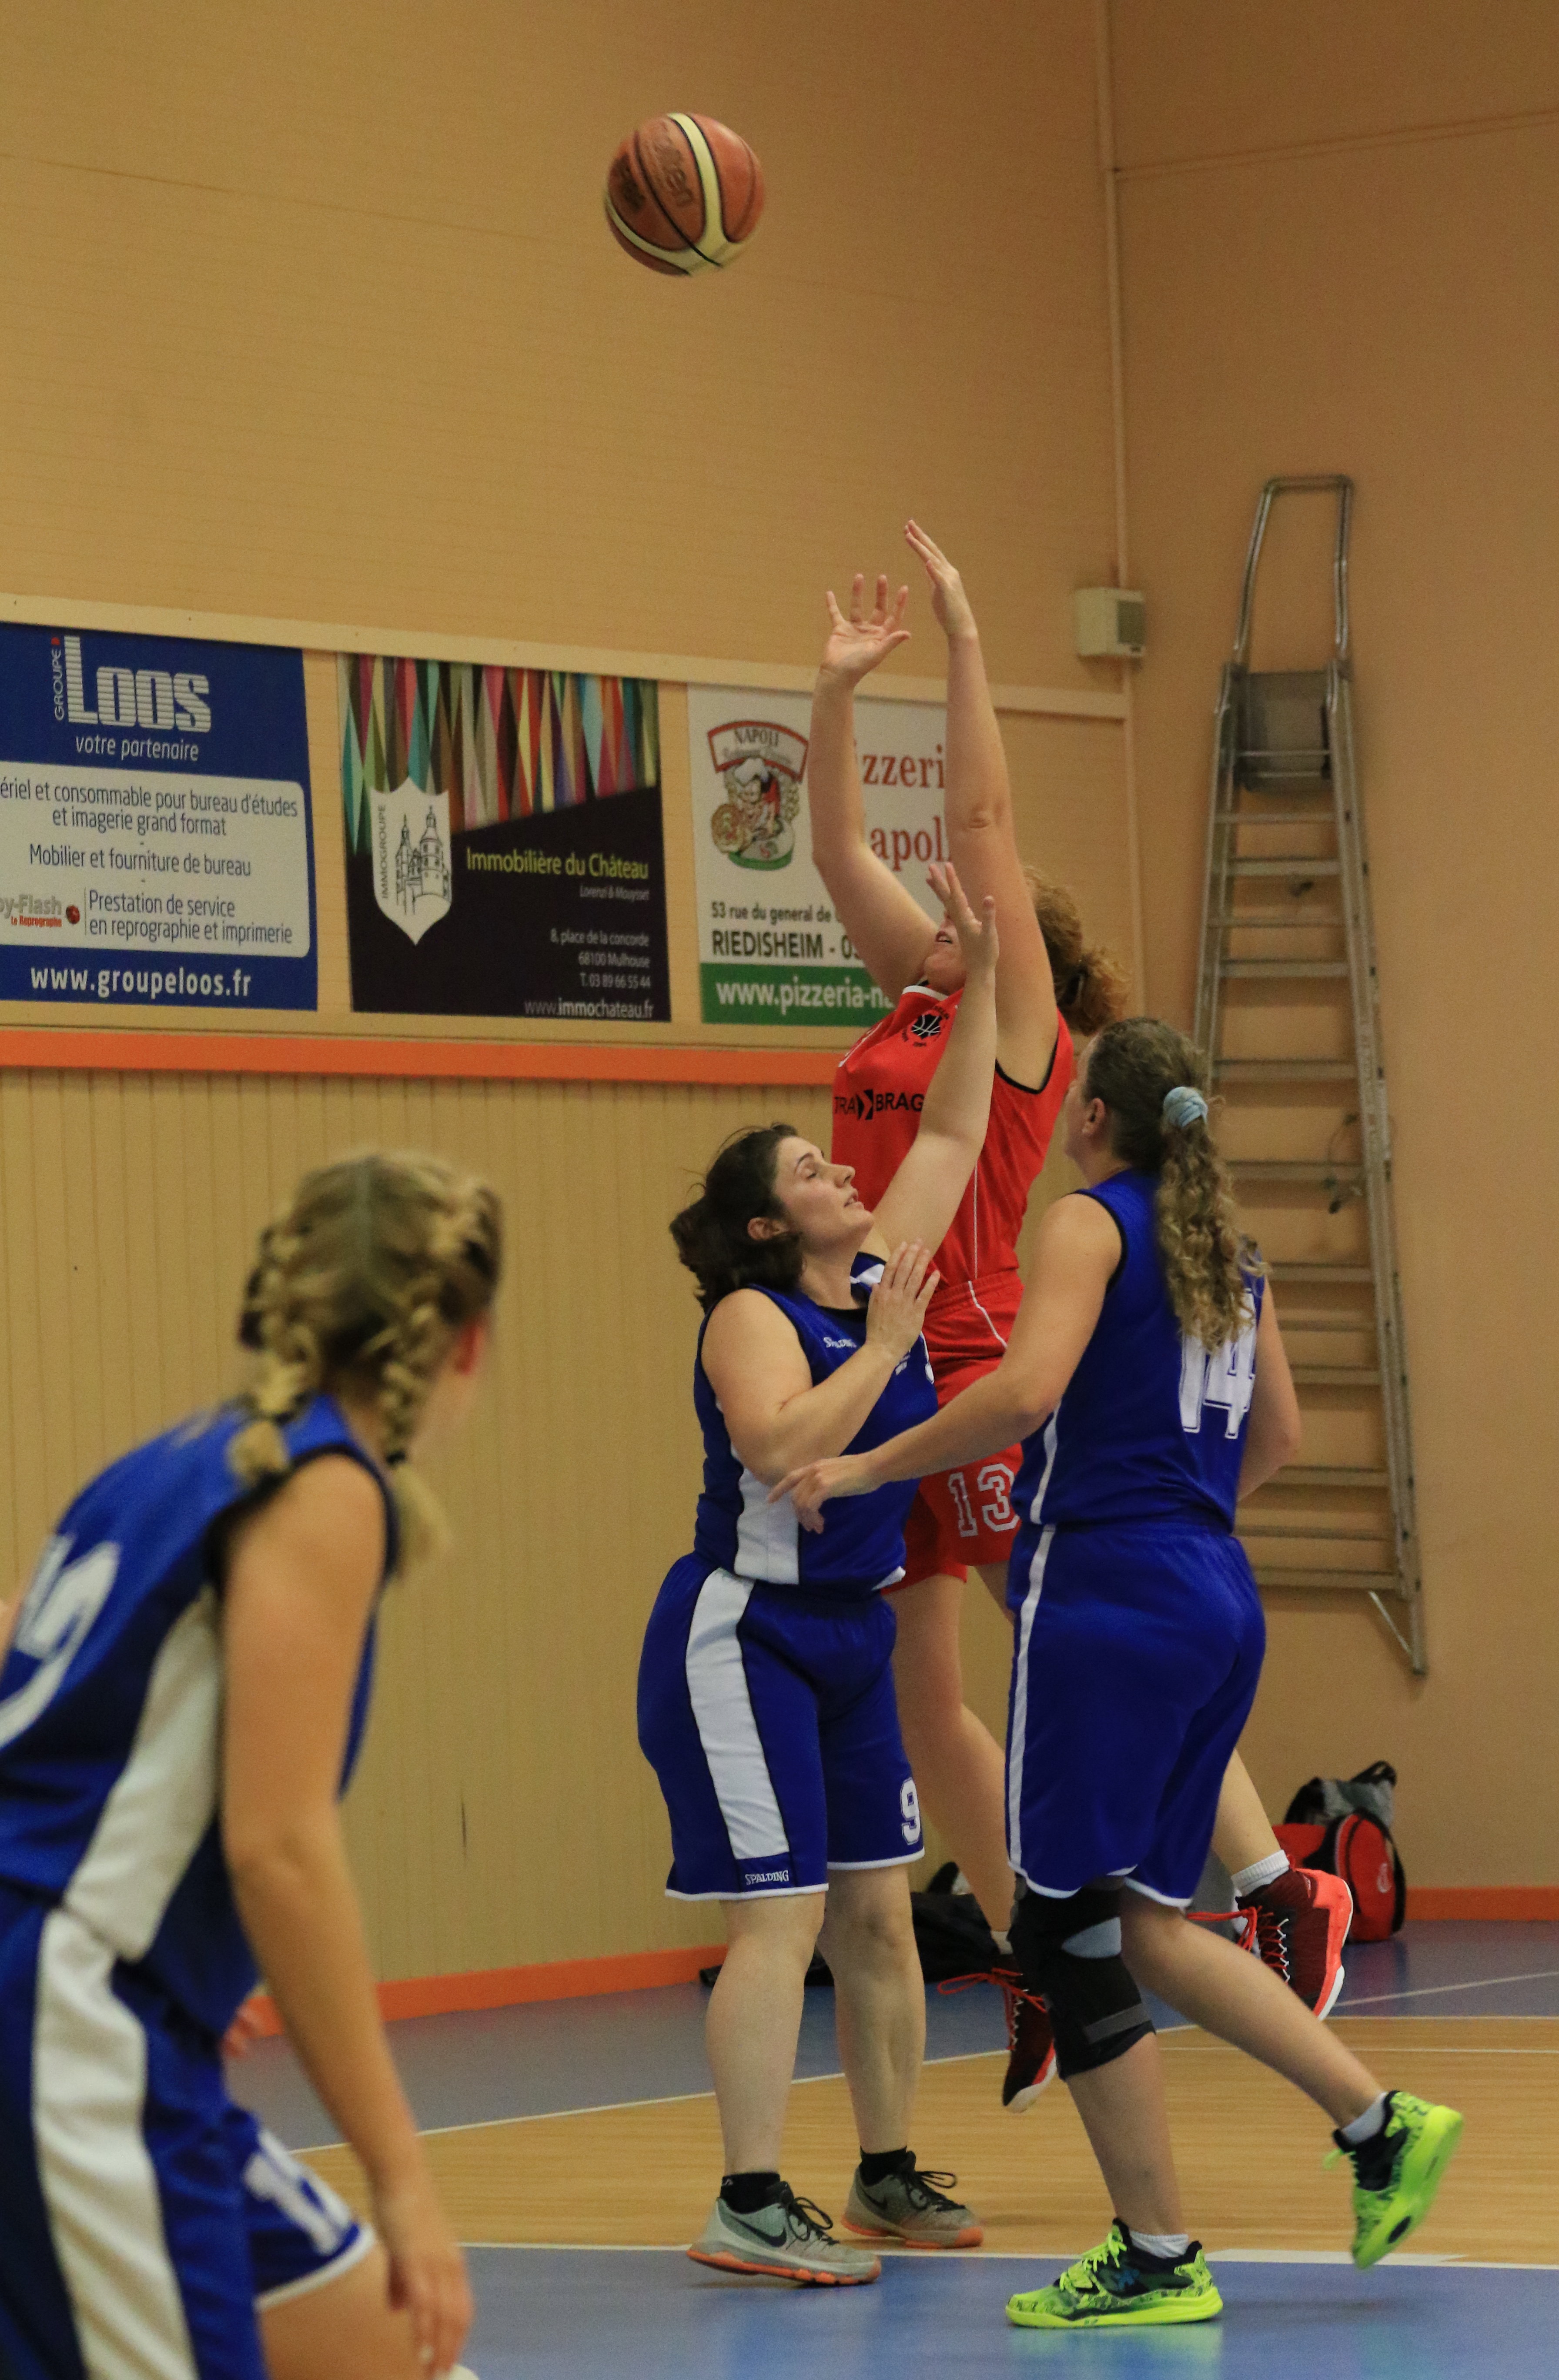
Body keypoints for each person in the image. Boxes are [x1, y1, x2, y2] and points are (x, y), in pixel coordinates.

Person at [776, 1019, 1461, 2328]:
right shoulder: (1227, 1251)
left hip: (1106, 1599)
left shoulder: (1087, 1225)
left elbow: (1024, 1394)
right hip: (1216, 1592)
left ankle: (1157, 2255)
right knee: (1137, 1922)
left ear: (1092, 1118)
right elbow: (1281, 1434)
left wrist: (864, 1468)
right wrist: (1183, 1515)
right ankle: (1379, 2126)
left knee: (1059, 1931)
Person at [807, 522, 1348, 2109]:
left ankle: (1274, 1883)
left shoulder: (1020, 1024)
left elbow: (980, 817)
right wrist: (833, 694)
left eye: (965, 901)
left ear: (1009, 934)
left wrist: (967, 640)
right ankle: (1042, 1951)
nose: (934, 900)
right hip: (881, 1352)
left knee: (1064, 1629)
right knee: (926, 1695)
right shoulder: (916, 996)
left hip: (972, 1344)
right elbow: (833, 847)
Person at [0, 1152, 501, 2380]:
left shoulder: (157, 1468)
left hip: (70, 1987)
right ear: (467, 1344)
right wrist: (403, 2176)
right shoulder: (323, 1486)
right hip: (51, 2002)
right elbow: (280, 1848)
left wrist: (167, 1948)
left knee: (403, 2355)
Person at [637, 863, 998, 2286]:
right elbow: (783, 1446)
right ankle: (746, 2198)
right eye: (808, 1171)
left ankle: (885, 2172)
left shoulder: (876, 1277)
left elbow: (956, 1123)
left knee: (880, 1916)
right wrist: (893, 1353)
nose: (841, 1172)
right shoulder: (753, 1313)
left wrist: (977, 981)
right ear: (768, 1227)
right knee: (781, 1918)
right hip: (746, 1635)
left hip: (853, 1635)